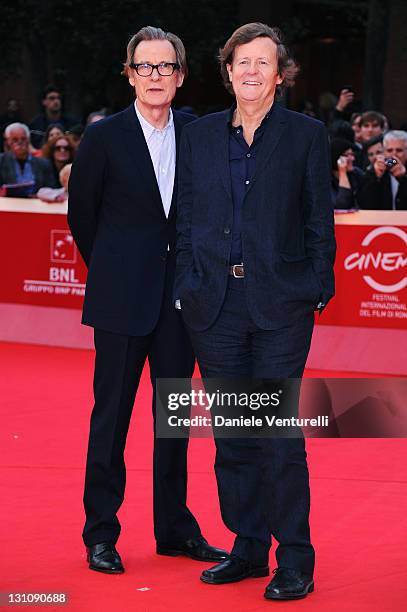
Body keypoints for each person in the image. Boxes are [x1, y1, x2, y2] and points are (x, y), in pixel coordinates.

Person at [175, 23, 335, 601]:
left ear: (279, 73)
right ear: (228, 70)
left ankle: (295, 556)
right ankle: (247, 547)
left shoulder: (306, 135)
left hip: (280, 307)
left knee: (278, 436)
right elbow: (188, 215)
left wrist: (317, 285)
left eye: (263, 62)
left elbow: (321, 216)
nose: (251, 70)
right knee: (233, 436)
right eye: (242, 60)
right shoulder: (200, 136)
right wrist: (185, 285)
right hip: (213, 306)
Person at [68, 25, 227, 575]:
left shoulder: (197, 132)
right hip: (119, 301)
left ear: (181, 76)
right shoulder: (103, 137)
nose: (155, 77)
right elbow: (82, 217)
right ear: (129, 74)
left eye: (165, 67)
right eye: (145, 67)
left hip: (180, 302)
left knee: (173, 420)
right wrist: (117, 271)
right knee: (110, 420)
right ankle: (101, 535)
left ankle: (175, 530)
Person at [0, 122, 56, 195]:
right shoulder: (1, 161)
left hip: (36, 204)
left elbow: (51, 190)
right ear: (8, 142)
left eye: (23, 139)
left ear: (28, 140)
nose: (19, 142)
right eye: (15, 139)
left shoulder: (44, 164)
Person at [358, 130, 407, 210]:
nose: (394, 155)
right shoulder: (374, 171)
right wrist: (376, 177)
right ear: (384, 152)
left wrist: (404, 177)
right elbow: (365, 204)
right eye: (389, 150)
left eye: (399, 150)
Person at [330, 138, 364, 209]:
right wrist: (342, 173)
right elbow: (342, 205)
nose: (352, 158)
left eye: (352, 154)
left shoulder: (356, 173)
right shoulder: (325, 180)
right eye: (347, 155)